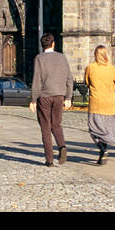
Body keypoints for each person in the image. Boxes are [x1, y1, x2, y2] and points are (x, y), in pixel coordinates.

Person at [29, 33, 72, 166]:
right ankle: (62, 146)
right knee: (56, 124)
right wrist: (68, 97)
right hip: (59, 95)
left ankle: (49, 159)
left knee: (45, 127)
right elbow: (69, 78)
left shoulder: (39, 58)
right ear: (53, 44)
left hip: (45, 96)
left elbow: (37, 80)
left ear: (43, 46)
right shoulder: (62, 57)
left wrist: (33, 99)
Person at [84, 45, 115, 164]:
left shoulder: (90, 67)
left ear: (95, 54)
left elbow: (87, 82)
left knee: (93, 128)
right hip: (109, 102)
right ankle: (102, 153)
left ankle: (102, 148)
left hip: (96, 102)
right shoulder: (112, 69)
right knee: (105, 128)